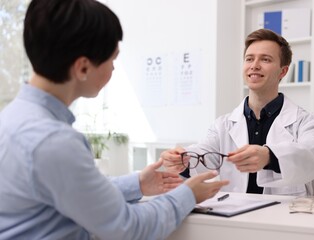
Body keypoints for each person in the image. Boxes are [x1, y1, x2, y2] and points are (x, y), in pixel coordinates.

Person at [0, 0, 229, 239]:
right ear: (83, 68)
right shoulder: (53, 141)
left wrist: (137, 183)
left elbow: (78, 193)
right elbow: (127, 228)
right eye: (112, 59)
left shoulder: (13, 119)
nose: (113, 69)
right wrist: (188, 194)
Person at [161, 29, 314, 196]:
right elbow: (204, 154)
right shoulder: (223, 125)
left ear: (283, 71)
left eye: (265, 59)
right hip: (237, 216)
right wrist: (183, 159)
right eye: (249, 59)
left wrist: (269, 156)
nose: (254, 65)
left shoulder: (306, 121)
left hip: (287, 217)